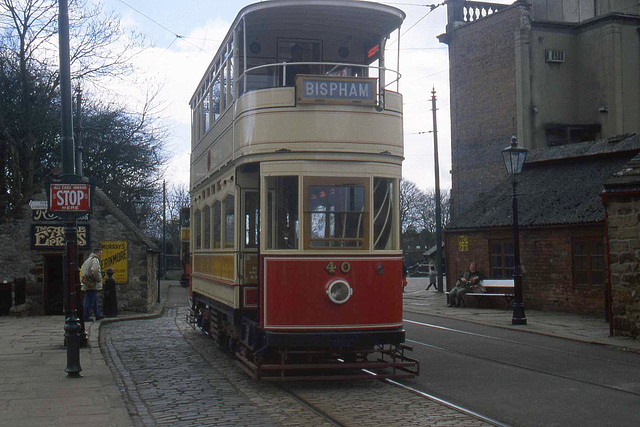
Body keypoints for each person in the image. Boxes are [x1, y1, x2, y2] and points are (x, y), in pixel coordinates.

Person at [81, 246, 104, 321]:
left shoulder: (88, 259)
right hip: (91, 282)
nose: (101, 254)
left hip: (87, 282)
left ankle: (97, 314)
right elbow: (95, 270)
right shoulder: (95, 260)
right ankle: (85, 316)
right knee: (89, 300)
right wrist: (99, 279)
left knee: (93, 299)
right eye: (100, 252)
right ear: (97, 252)